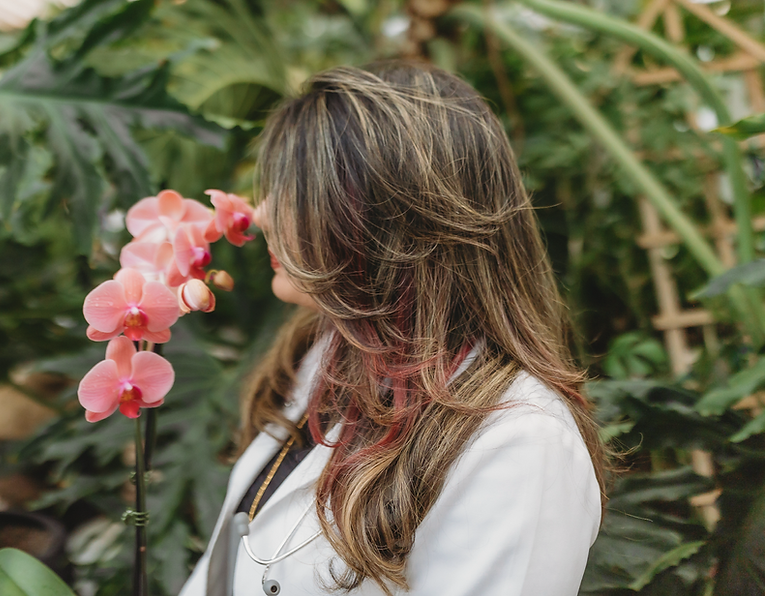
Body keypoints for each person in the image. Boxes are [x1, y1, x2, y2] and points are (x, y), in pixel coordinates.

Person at [178, 61, 606, 596]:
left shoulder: (518, 445)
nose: (260, 214)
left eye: (294, 191)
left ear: (378, 217)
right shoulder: (321, 355)